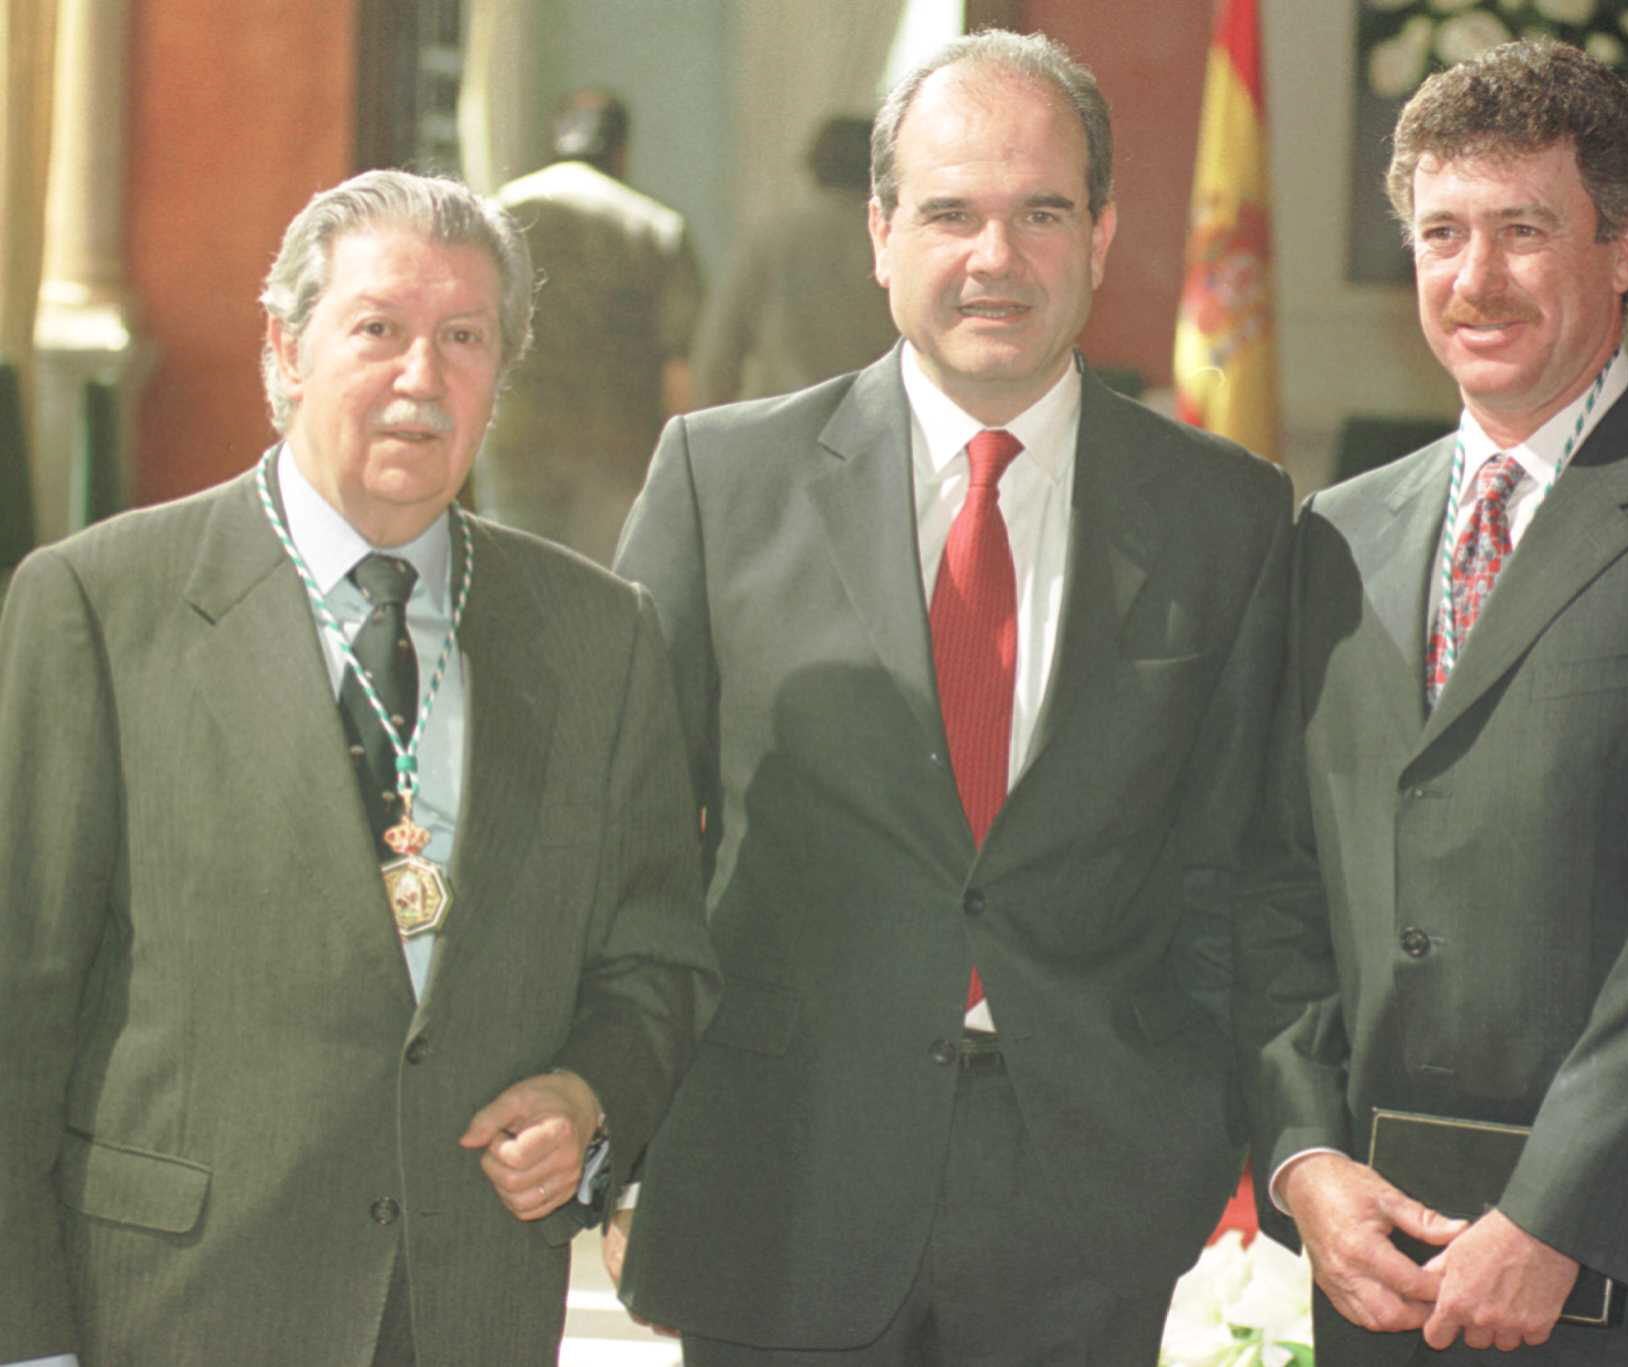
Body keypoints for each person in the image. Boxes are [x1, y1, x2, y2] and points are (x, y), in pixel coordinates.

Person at [609, 29, 1291, 1366]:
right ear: (879, 233)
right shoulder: (717, 480)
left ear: (1100, 234)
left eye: (1041, 211)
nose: (996, 257)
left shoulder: (1228, 517)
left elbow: (1245, 864)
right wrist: (622, 1107)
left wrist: (1204, 1138)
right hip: (782, 1180)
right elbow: (626, 839)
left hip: (1095, 1209)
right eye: (951, 212)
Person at [0, 170, 718, 1367]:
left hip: (468, 1305)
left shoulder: (602, 635)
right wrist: (24, 1338)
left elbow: (657, 963)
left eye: (464, 338)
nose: (421, 379)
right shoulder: (98, 606)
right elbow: (17, 1001)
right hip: (174, 1306)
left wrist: (589, 1101)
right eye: (377, 329)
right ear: (285, 350)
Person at [1238, 40, 1628, 1364]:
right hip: (1380, 1262)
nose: (1471, 279)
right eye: (1440, 233)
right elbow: (1270, 885)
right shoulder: (1331, 538)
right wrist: (1302, 1155)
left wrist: (1555, 1212)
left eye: (1521, 231)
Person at [475, 87, 704, 564]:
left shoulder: (497, 215)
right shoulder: (656, 228)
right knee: (601, 590)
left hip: (516, 430)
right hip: (616, 443)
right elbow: (680, 363)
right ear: (622, 150)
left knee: (513, 579)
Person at [690, 115, 897, 407]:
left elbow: (717, 356)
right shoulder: (897, 241)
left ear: (812, 167)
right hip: (878, 418)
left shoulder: (768, 240)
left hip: (784, 420)